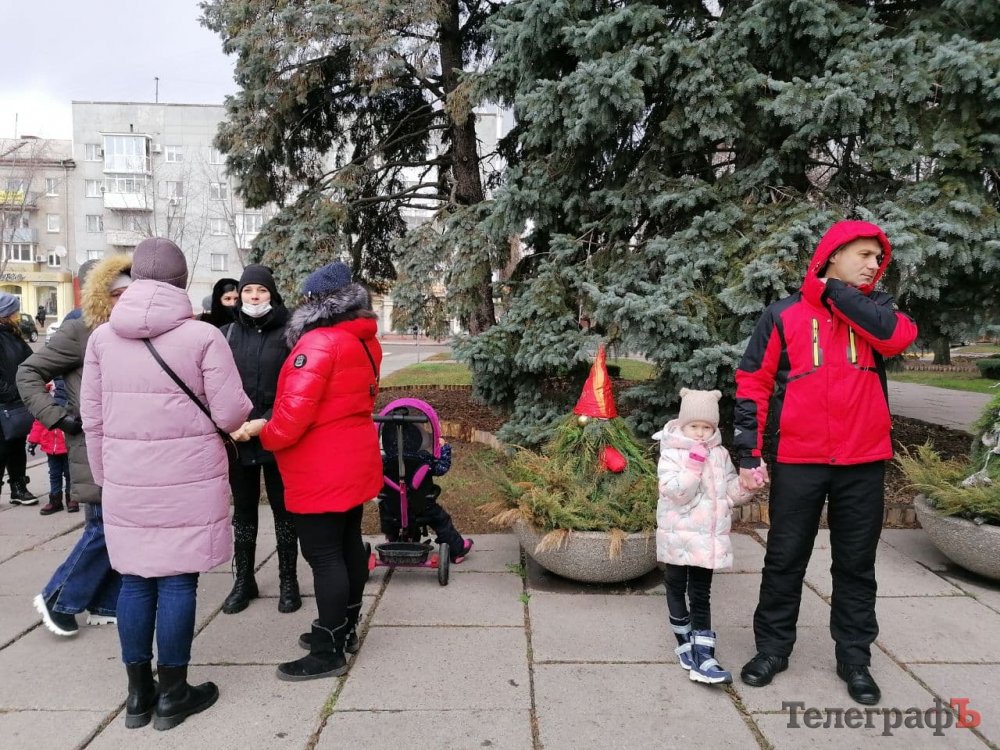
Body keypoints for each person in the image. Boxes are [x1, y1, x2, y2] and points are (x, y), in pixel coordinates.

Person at [734, 220, 918, 706]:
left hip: (863, 460)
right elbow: (753, 381)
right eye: (864, 255)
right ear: (833, 254)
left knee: (856, 564)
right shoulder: (783, 314)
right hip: (800, 459)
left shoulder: (878, 313)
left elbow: (897, 338)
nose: (874, 265)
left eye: (878, 258)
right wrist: (749, 450)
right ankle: (772, 650)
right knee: (784, 558)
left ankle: (854, 659)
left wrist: (837, 294)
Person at [81, 238, 252, 730]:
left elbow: (92, 418)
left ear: (135, 278)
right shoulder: (203, 337)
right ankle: (174, 694)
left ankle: (138, 696)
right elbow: (230, 414)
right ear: (181, 281)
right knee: (178, 580)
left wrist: (106, 476)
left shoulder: (102, 339)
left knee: (135, 581)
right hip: (188, 478)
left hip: (126, 479)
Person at [239, 261, 382, 681]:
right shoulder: (363, 339)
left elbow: (292, 417)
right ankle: (344, 627)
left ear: (317, 304)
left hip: (320, 465)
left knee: (323, 555)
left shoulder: (318, 344)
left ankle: (329, 649)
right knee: (348, 543)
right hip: (352, 456)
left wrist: (263, 433)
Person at [19, 255, 132, 636]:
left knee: (117, 528)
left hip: (123, 445)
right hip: (90, 443)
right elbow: (28, 372)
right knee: (103, 528)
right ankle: (58, 598)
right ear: (101, 295)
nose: (124, 300)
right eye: (116, 294)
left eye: (130, 293)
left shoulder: (131, 330)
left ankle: (104, 602)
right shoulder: (81, 330)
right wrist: (57, 416)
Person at [654, 388, 751, 685]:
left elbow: (729, 492)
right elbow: (675, 492)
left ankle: (704, 654)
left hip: (705, 541)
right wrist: (693, 467)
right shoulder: (672, 452)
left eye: (706, 427)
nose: (700, 433)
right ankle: (684, 639)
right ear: (683, 424)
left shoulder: (719, 454)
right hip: (677, 535)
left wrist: (748, 486)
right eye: (694, 426)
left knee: (701, 593)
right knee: (675, 585)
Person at [220, 264, 301, 615]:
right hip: (238, 437)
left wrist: (264, 420)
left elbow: (295, 386)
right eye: (248, 291)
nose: (254, 297)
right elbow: (217, 385)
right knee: (244, 511)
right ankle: (244, 580)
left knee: (284, 511)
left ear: (273, 294)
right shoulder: (226, 334)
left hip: (278, 434)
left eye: (262, 290)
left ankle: (288, 579)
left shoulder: (290, 333)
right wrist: (231, 423)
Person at [377, 421, 473, 563]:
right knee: (441, 520)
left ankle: (392, 538)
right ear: (419, 439)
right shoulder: (424, 459)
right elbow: (442, 467)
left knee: (386, 510)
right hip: (422, 506)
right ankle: (457, 549)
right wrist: (444, 448)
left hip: (392, 507)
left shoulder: (383, 461)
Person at [0, 292, 38, 505]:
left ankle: (18, 487)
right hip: (4, 402)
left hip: (14, 403)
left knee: (16, 445)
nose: (17, 315)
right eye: (14, 312)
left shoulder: (13, 334)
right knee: (2, 448)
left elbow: (32, 361)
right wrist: (13, 392)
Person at [27, 386, 71, 516]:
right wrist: (33, 441)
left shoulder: (69, 398)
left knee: (70, 474)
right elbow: (39, 421)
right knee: (54, 474)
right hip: (51, 447)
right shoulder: (46, 401)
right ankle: (55, 499)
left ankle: (71, 498)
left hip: (66, 445)